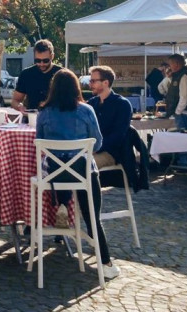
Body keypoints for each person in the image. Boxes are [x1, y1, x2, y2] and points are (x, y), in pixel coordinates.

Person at [36, 68, 120, 279]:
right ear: (76, 87)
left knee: (44, 169)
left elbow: (40, 141)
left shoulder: (44, 112)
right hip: (82, 172)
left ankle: (59, 206)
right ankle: (106, 263)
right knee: (93, 216)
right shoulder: (86, 111)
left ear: (52, 89)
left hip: (54, 176)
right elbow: (98, 142)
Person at [86, 66, 132, 169]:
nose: (90, 84)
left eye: (93, 81)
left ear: (106, 83)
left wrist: (94, 148)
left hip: (111, 153)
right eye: (90, 81)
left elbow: (118, 136)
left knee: (83, 166)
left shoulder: (122, 104)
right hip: (90, 150)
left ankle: (93, 185)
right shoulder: (92, 103)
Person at [13, 39, 62, 112]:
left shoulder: (61, 74)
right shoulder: (26, 74)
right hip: (31, 118)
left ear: (52, 56)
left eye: (45, 61)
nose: (41, 64)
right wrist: (19, 106)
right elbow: (15, 100)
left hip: (55, 119)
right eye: (38, 61)